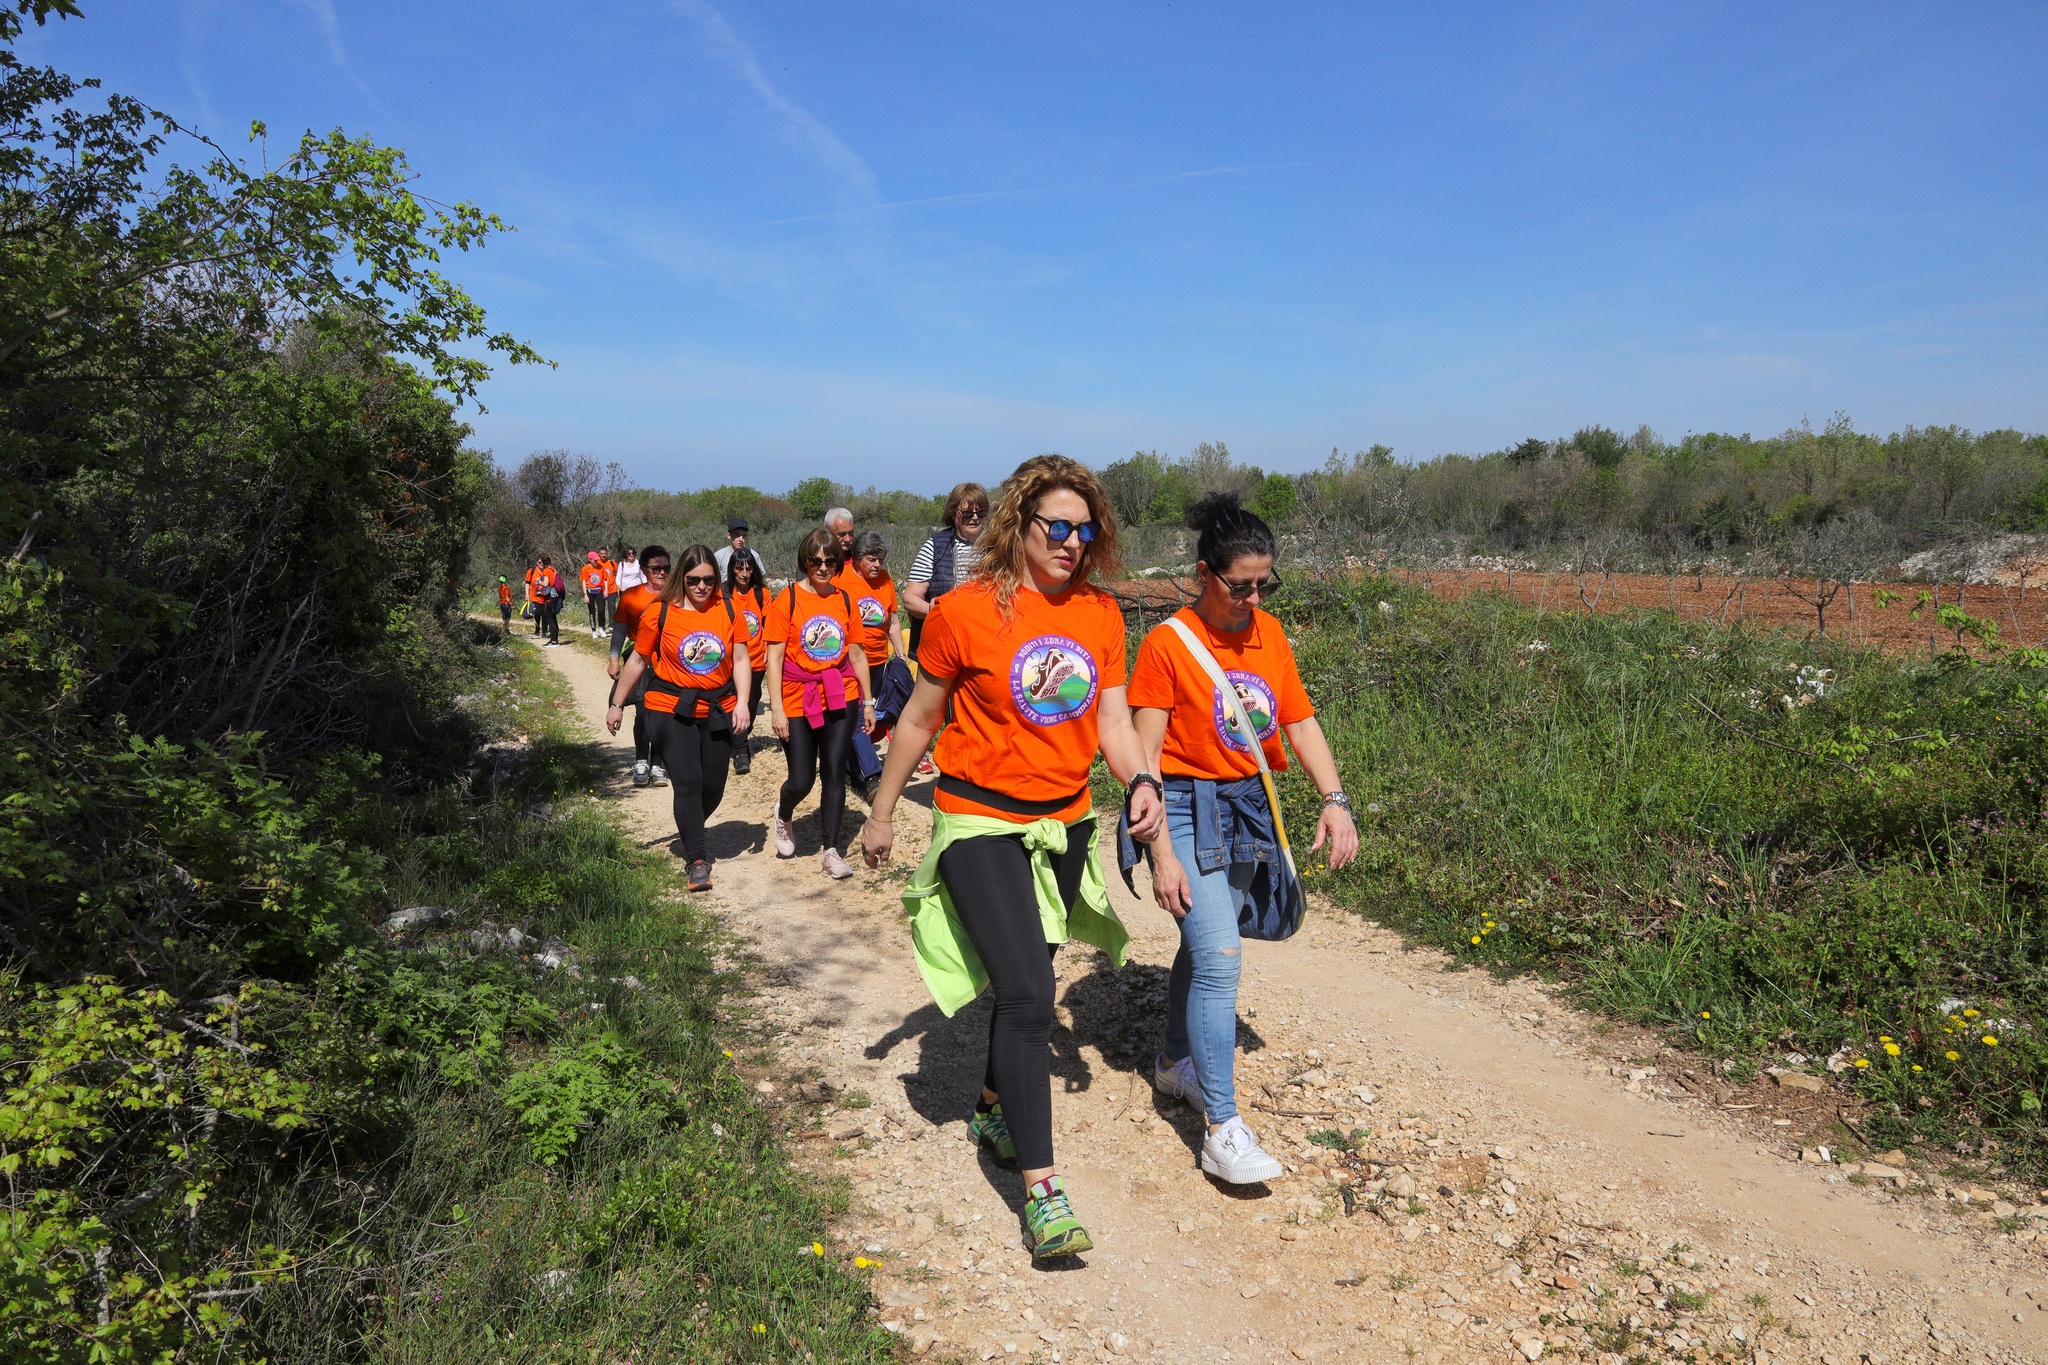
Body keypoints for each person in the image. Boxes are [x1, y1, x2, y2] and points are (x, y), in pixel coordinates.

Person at [859, 455, 1164, 1260]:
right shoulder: (964, 610)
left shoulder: (1100, 615)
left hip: (1062, 824)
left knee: (1022, 976)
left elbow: (1111, 723)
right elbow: (922, 718)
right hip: (978, 820)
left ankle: (994, 1101)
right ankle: (1043, 1192)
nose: (1070, 541)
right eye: (1054, 527)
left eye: (1082, 528)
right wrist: (884, 811)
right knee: (1032, 993)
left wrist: (1140, 780)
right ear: (1019, 527)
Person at [1127, 493, 1359, 1184]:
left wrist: (1335, 799)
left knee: (1204, 944)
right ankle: (1222, 1126)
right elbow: (1144, 755)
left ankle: (1174, 1063)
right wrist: (1161, 847)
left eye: (1265, 583)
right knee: (1221, 954)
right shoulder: (1168, 644)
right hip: (1186, 808)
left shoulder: (1271, 634)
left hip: (1246, 809)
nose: (1253, 597)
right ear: (1205, 573)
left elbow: (1300, 721)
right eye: (1240, 585)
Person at [608, 545, 750, 892]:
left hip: (718, 706)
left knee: (713, 785)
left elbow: (743, 659)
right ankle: (697, 860)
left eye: (708, 580)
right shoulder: (660, 612)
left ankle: (689, 827)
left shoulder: (729, 609)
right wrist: (617, 703)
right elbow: (639, 660)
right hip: (669, 706)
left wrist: (743, 703)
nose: (701, 587)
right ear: (680, 578)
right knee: (688, 782)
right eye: (693, 580)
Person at [766, 528, 874, 881]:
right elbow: (775, 658)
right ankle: (784, 813)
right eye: (816, 561)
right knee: (800, 779)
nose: (823, 567)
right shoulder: (788, 600)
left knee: (833, 771)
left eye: (830, 561)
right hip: (799, 698)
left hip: (841, 694)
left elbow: (857, 654)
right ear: (805, 562)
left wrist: (869, 701)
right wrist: (777, 709)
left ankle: (831, 850)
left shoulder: (845, 601)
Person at [836, 529, 904, 796]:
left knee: (874, 716)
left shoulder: (885, 580)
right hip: (850, 663)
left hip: (878, 661)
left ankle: (848, 766)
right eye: (871, 560)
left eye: (880, 560)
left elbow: (893, 621)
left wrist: (899, 657)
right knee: (856, 716)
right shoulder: (842, 581)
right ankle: (873, 776)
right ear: (857, 558)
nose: (877, 565)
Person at [609, 546, 672, 787]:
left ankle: (658, 764)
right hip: (639, 658)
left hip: (667, 660)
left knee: (662, 713)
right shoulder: (630, 596)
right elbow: (620, 630)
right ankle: (640, 760)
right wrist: (614, 658)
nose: (662, 573)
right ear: (644, 569)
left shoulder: (677, 595)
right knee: (644, 711)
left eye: (666, 568)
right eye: (656, 568)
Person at [903, 482, 988, 659]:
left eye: (980, 513)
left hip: (982, 642)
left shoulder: (995, 547)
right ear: (953, 513)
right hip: (940, 646)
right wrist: (938, 612)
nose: (974, 518)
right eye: (967, 513)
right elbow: (910, 599)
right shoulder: (935, 546)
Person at [724, 545, 770, 775]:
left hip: (756, 660)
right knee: (732, 703)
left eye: (748, 569)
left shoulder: (762, 594)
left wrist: (770, 652)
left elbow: (769, 626)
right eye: (739, 568)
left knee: (750, 705)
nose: (744, 573)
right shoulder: (723, 594)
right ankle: (741, 752)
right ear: (732, 570)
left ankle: (738, 737)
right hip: (729, 662)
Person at [534, 555, 564, 645]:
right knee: (553, 618)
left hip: (549, 598)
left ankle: (553, 641)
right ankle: (555, 639)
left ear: (543, 563)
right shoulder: (553, 569)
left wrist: (538, 581)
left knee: (549, 618)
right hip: (556, 596)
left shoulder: (547, 571)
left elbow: (546, 583)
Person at [581, 551, 608, 637]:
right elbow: (584, 581)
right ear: (590, 559)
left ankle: (601, 628)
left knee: (601, 609)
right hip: (590, 591)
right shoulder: (585, 569)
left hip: (599, 590)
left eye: (597, 560)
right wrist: (585, 594)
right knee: (592, 611)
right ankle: (593, 631)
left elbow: (605, 579)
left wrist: (606, 590)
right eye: (594, 560)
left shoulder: (601, 567)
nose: (596, 562)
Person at [524, 557, 547, 636]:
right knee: (537, 613)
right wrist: (527, 593)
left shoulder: (547, 571)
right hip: (534, 597)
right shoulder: (532, 571)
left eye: (543, 562)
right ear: (537, 563)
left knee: (545, 614)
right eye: (540, 562)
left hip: (545, 597)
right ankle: (537, 629)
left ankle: (544, 631)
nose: (541, 564)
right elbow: (527, 582)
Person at [600, 549, 621, 631]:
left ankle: (612, 625)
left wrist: (618, 587)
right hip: (600, 590)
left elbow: (618, 574)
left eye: (605, 553)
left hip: (612, 589)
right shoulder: (597, 563)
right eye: (601, 553)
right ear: (599, 554)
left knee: (612, 607)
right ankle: (602, 625)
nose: (603, 555)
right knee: (601, 608)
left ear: (607, 554)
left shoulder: (612, 563)